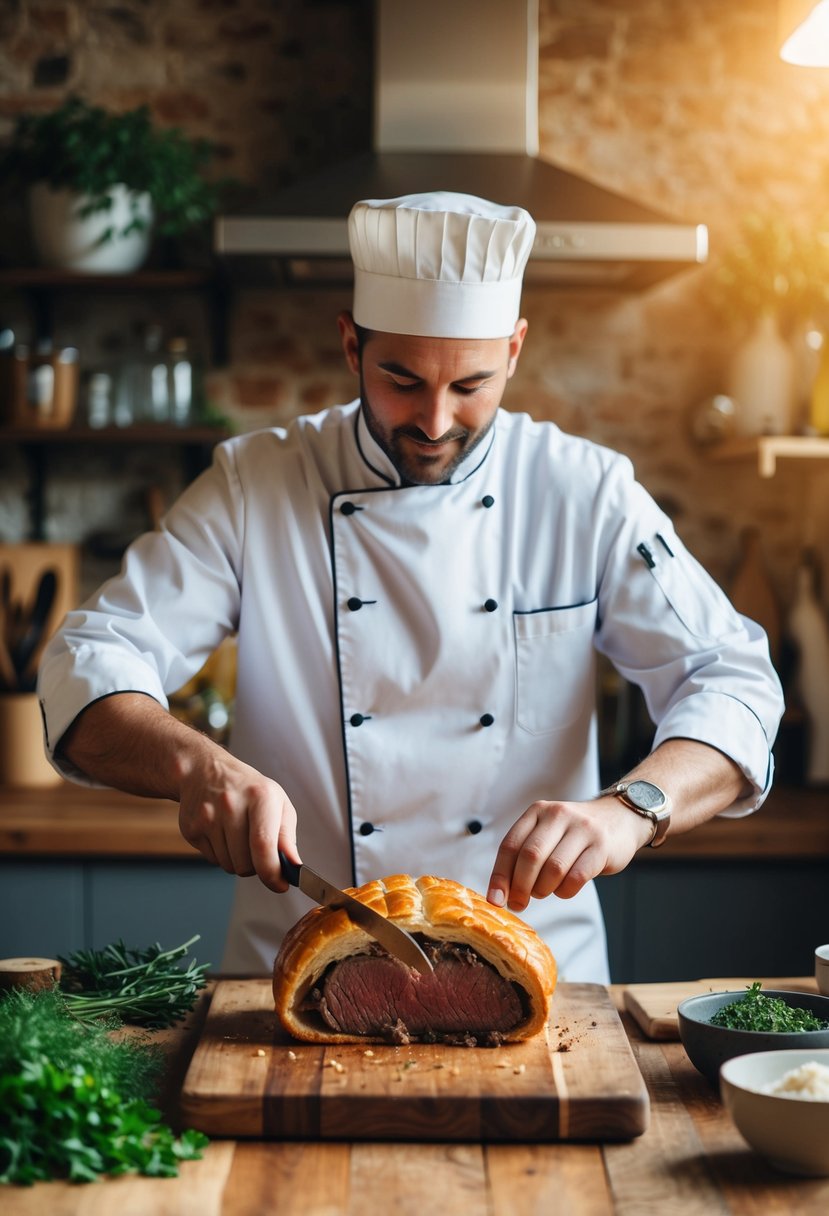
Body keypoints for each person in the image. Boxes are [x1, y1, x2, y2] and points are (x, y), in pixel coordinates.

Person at [38, 192, 784, 983]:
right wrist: (197, 766)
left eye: (471, 384)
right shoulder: (257, 485)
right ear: (350, 344)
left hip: (542, 979)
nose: (434, 420)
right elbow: (86, 661)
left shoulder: (582, 491)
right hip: (298, 979)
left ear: (515, 349)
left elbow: (731, 679)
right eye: (401, 379)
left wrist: (631, 809)